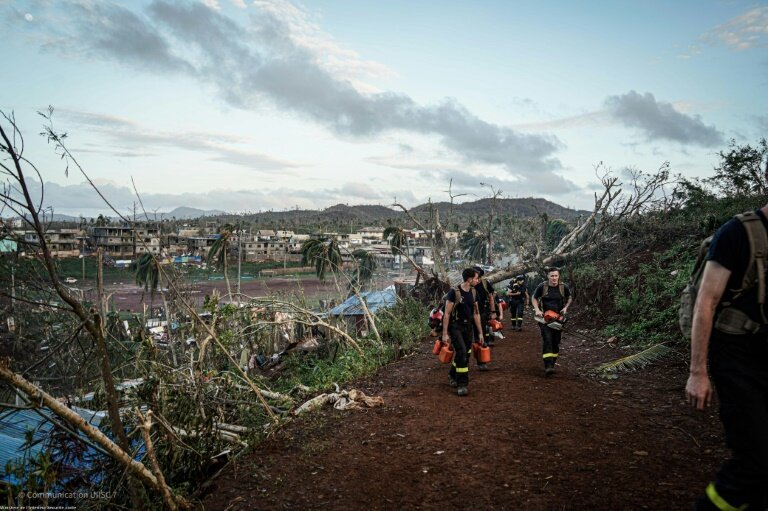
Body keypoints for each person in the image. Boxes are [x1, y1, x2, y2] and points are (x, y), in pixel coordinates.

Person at [685, 167, 768, 510]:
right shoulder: (738, 233)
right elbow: (706, 302)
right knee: (755, 462)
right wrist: (698, 371)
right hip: (736, 359)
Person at [442, 268, 485, 396]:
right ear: (469, 279)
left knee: (465, 354)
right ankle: (462, 384)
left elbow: (476, 314)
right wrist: (445, 333)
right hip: (456, 327)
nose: (478, 280)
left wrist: (480, 333)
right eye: (476, 278)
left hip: (468, 328)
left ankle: (452, 375)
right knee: (461, 352)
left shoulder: (473, 292)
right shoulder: (454, 293)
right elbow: (447, 313)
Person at [531, 267, 572, 376]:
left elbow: (569, 297)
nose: (554, 278)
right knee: (548, 339)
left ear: (559, 276)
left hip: (558, 319)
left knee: (555, 341)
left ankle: (552, 363)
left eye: (556, 276)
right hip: (545, 319)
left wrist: (566, 308)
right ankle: (548, 366)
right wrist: (537, 309)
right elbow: (534, 298)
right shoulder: (542, 287)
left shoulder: (564, 287)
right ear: (548, 276)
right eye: (552, 276)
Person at [473, 265, 498, 356]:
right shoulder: (466, 286)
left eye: (479, 276)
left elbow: (491, 297)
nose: (477, 279)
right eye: (476, 277)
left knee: (483, 330)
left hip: (482, 310)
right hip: (469, 313)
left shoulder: (485, 283)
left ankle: (484, 347)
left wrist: (493, 312)